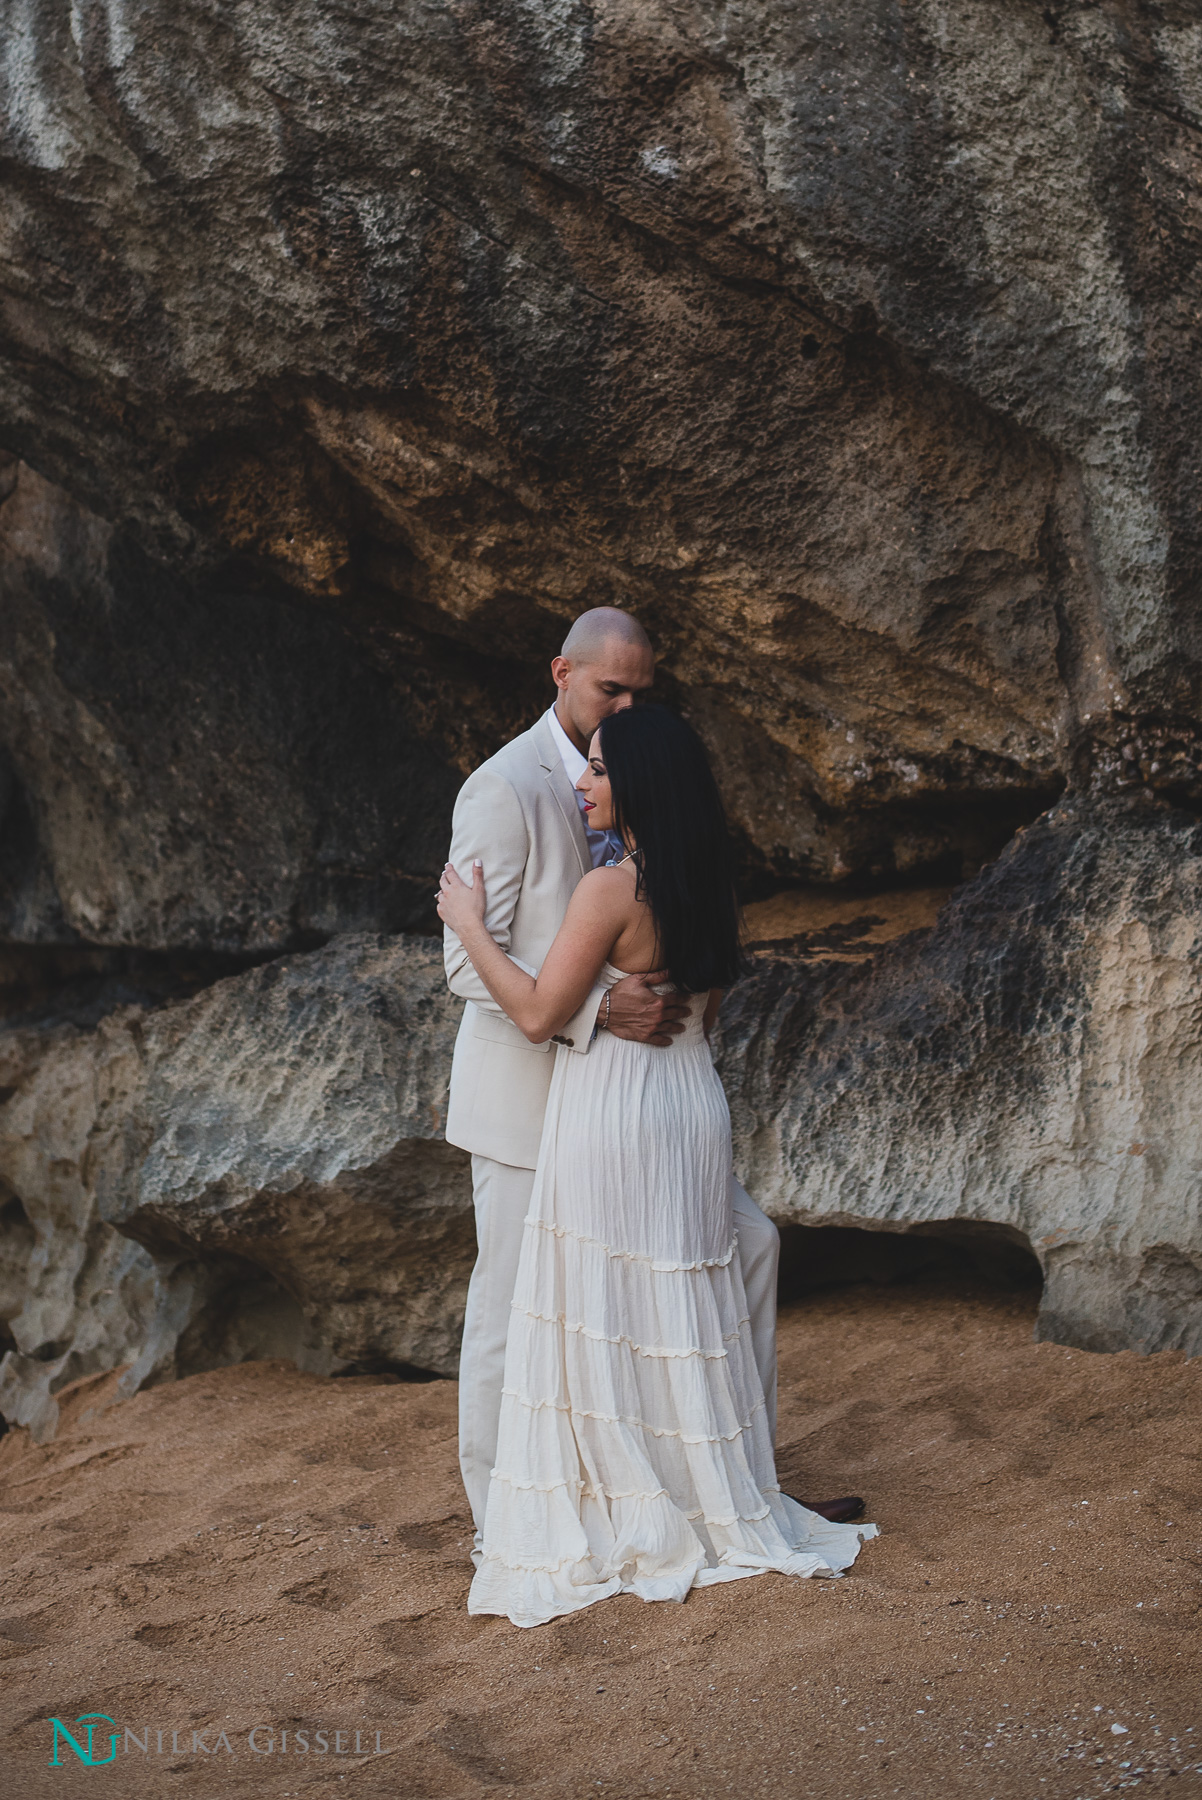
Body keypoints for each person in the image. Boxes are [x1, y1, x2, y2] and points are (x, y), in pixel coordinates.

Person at [438, 704, 876, 1625]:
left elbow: (531, 1012)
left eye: (599, 771)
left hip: (617, 1103)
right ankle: (715, 1487)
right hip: (690, 1100)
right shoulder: (707, 884)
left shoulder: (611, 892)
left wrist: (467, 922)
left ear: (635, 786)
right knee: (683, 1292)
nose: (586, 783)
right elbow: (703, 1016)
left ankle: (629, 1496)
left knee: (600, 1300)